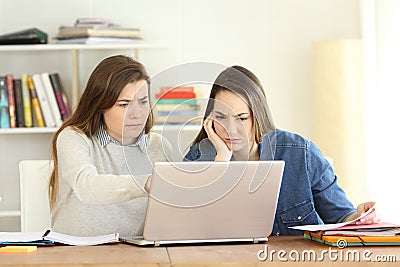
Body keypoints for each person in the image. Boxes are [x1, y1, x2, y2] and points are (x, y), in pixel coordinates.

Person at [184, 65, 378, 236]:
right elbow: (186, 227)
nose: (231, 129)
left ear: (258, 117)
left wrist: (359, 217)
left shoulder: (301, 153)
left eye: (242, 118)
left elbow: (341, 216)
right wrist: (221, 160)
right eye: (220, 117)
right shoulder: (197, 158)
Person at [48, 55, 173, 237]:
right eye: (124, 104)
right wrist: (145, 182)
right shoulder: (73, 138)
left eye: (143, 101)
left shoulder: (159, 146)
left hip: (137, 255)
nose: (136, 114)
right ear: (100, 105)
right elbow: (87, 187)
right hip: (76, 255)